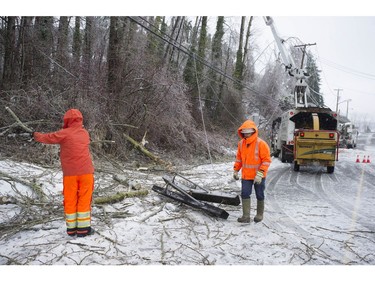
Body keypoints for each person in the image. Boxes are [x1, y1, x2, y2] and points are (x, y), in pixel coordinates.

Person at [33, 109, 95, 237]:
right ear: (80, 120)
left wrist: (35, 135)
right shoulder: (84, 133)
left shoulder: (64, 133)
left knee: (70, 199)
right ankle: (84, 229)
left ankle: (71, 229)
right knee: (84, 198)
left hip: (70, 174)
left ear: (66, 120)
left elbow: (48, 138)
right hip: (86, 172)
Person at [233, 120, 271, 223]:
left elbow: (266, 161)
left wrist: (260, 174)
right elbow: (239, 159)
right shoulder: (241, 144)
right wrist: (236, 170)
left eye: (248, 132)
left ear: (253, 132)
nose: (246, 134)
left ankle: (259, 215)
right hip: (246, 176)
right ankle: (246, 216)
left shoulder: (261, 144)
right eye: (244, 132)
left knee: (259, 194)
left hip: (258, 176)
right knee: (245, 194)